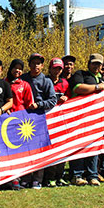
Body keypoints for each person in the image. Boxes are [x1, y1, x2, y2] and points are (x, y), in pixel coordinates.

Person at [68, 54, 104, 186]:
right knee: (78, 147)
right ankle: (77, 175)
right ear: (89, 63)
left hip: (96, 122)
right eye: (94, 63)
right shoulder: (81, 74)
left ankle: (92, 175)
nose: (96, 66)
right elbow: (77, 88)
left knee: (93, 148)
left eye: (99, 64)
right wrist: (96, 87)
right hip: (79, 120)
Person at [20, 53, 57, 189]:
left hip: (40, 119)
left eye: (38, 63)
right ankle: (25, 178)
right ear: (29, 64)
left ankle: (37, 179)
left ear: (42, 66)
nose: (36, 65)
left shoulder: (46, 81)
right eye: (33, 63)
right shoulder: (23, 78)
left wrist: (39, 105)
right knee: (25, 150)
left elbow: (53, 100)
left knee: (39, 151)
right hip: (23, 119)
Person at [42, 57, 70, 187]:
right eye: (55, 68)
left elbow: (71, 98)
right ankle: (50, 177)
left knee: (62, 149)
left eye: (59, 68)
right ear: (50, 68)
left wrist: (67, 98)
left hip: (62, 120)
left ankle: (60, 176)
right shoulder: (45, 81)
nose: (57, 71)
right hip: (47, 121)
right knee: (51, 150)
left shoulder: (65, 83)